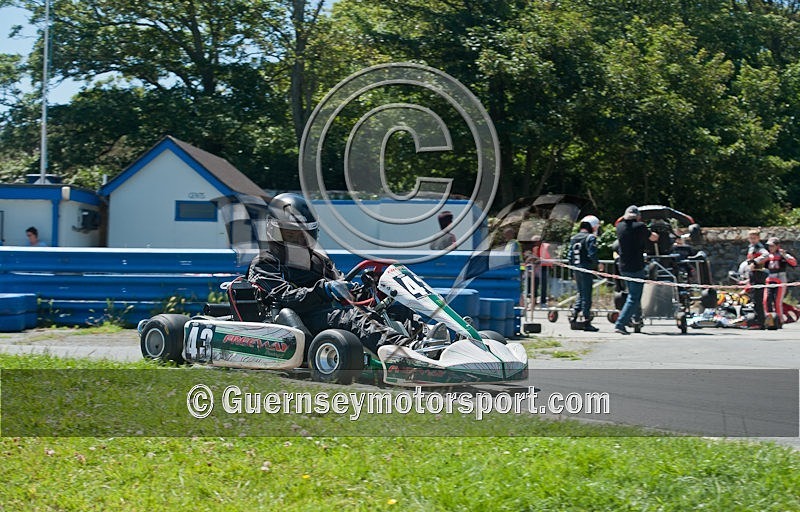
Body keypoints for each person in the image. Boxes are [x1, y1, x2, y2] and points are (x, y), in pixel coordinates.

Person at [247, 193, 424, 354]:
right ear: (273, 230)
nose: (298, 242)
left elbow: (344, 288)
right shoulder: (265, 262)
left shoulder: (318, 261)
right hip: (298, 320)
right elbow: (284, 297)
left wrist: (370, 289)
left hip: (328, 314)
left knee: (396, 307)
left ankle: (427, 342)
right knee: (354, 317)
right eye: (291, 236)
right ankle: (407, 350)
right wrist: (324, 290)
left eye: (303, 236)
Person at [614, 205, 659, 335]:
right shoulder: (640, 227)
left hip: (623, 266)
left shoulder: (619, 227)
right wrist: (655, 232)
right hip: (636, 266)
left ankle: (636, 319)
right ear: (638, 216)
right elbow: (653, 238)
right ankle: (620, 324)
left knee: (633, 295)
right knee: (634, 297)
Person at [568, 216, 600, 331]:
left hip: (576, 268)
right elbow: (592, 253)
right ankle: (586, 321)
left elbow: (570, 255)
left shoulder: (574, 238)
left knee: (581, 294)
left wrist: (572, 269)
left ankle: (574, 317)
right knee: (587, 296)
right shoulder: (590, 237)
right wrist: (596, 265)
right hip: (585, 269)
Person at [763, 237, 797, 329]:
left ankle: (779, 320)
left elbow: (794, 263)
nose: (770, 248)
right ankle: (768, 320)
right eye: (769, 246)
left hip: (780, 280)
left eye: (772, 246)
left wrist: (784, 255)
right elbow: (758, 261)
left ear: (777, 246)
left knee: (777, 301)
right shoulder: (767, 255)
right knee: (766, 300)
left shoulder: (782, 254)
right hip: (770, 279)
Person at [745, 229, 769, 329]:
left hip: (758, 273)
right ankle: (757, 319)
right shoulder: (751, 247)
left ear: (758, 238)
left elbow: (766, 255)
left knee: (757, 298)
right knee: (753, 298)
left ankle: (760, 322)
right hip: (753, 273)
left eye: (754, 238)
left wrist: (755, 262)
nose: (752, 240)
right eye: (750, 238)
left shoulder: (759, 247)